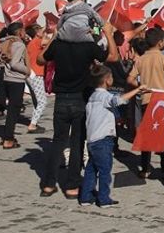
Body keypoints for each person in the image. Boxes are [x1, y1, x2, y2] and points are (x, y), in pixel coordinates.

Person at [39, 12, 116, 198]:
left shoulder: (58, 44)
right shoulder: (88, 46)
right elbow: (112, 57)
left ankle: (48, 184)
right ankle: (72, 185)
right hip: (81, 97)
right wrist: (108, 33)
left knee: (58, 141)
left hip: (61, 98)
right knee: (77, 142)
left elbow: (40, 59)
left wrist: (54, 36)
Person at [80, 65, 144, 207]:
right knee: (104, 170)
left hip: (92, 139)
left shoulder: (92, 97)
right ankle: (104, 198)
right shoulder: (104, 96)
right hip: (103, 139)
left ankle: (86, 196)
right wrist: (137, 90)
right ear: (107, 80)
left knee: (91, 169)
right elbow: (118, 100)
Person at [130, 27, 164, 180]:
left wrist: (139, 88)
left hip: (146, 99)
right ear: (161, 43)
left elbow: (130, 79)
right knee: (163, 135)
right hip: (162, 100)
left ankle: (145, 168)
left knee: (147, 134)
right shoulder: (163, 58)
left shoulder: (141, 59)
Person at [0, 22, 31, 150]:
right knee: (13, 111)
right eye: (23, 30)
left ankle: (7, 136)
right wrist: (27, 70)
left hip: (5, 78)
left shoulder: (4, 42)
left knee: (11, 109)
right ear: (19, 31)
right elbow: (15, 63)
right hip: (16, 80)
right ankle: (8, 139)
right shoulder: (19, 45)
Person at [23, 24, 48, 134]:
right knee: (42, 101)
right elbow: (48, 42)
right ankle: (32, 124)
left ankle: (34, 121)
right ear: (36, 32)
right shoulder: (37, 41)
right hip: (36, 74)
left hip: (30, 74)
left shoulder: (32, 42)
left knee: (36, 101)